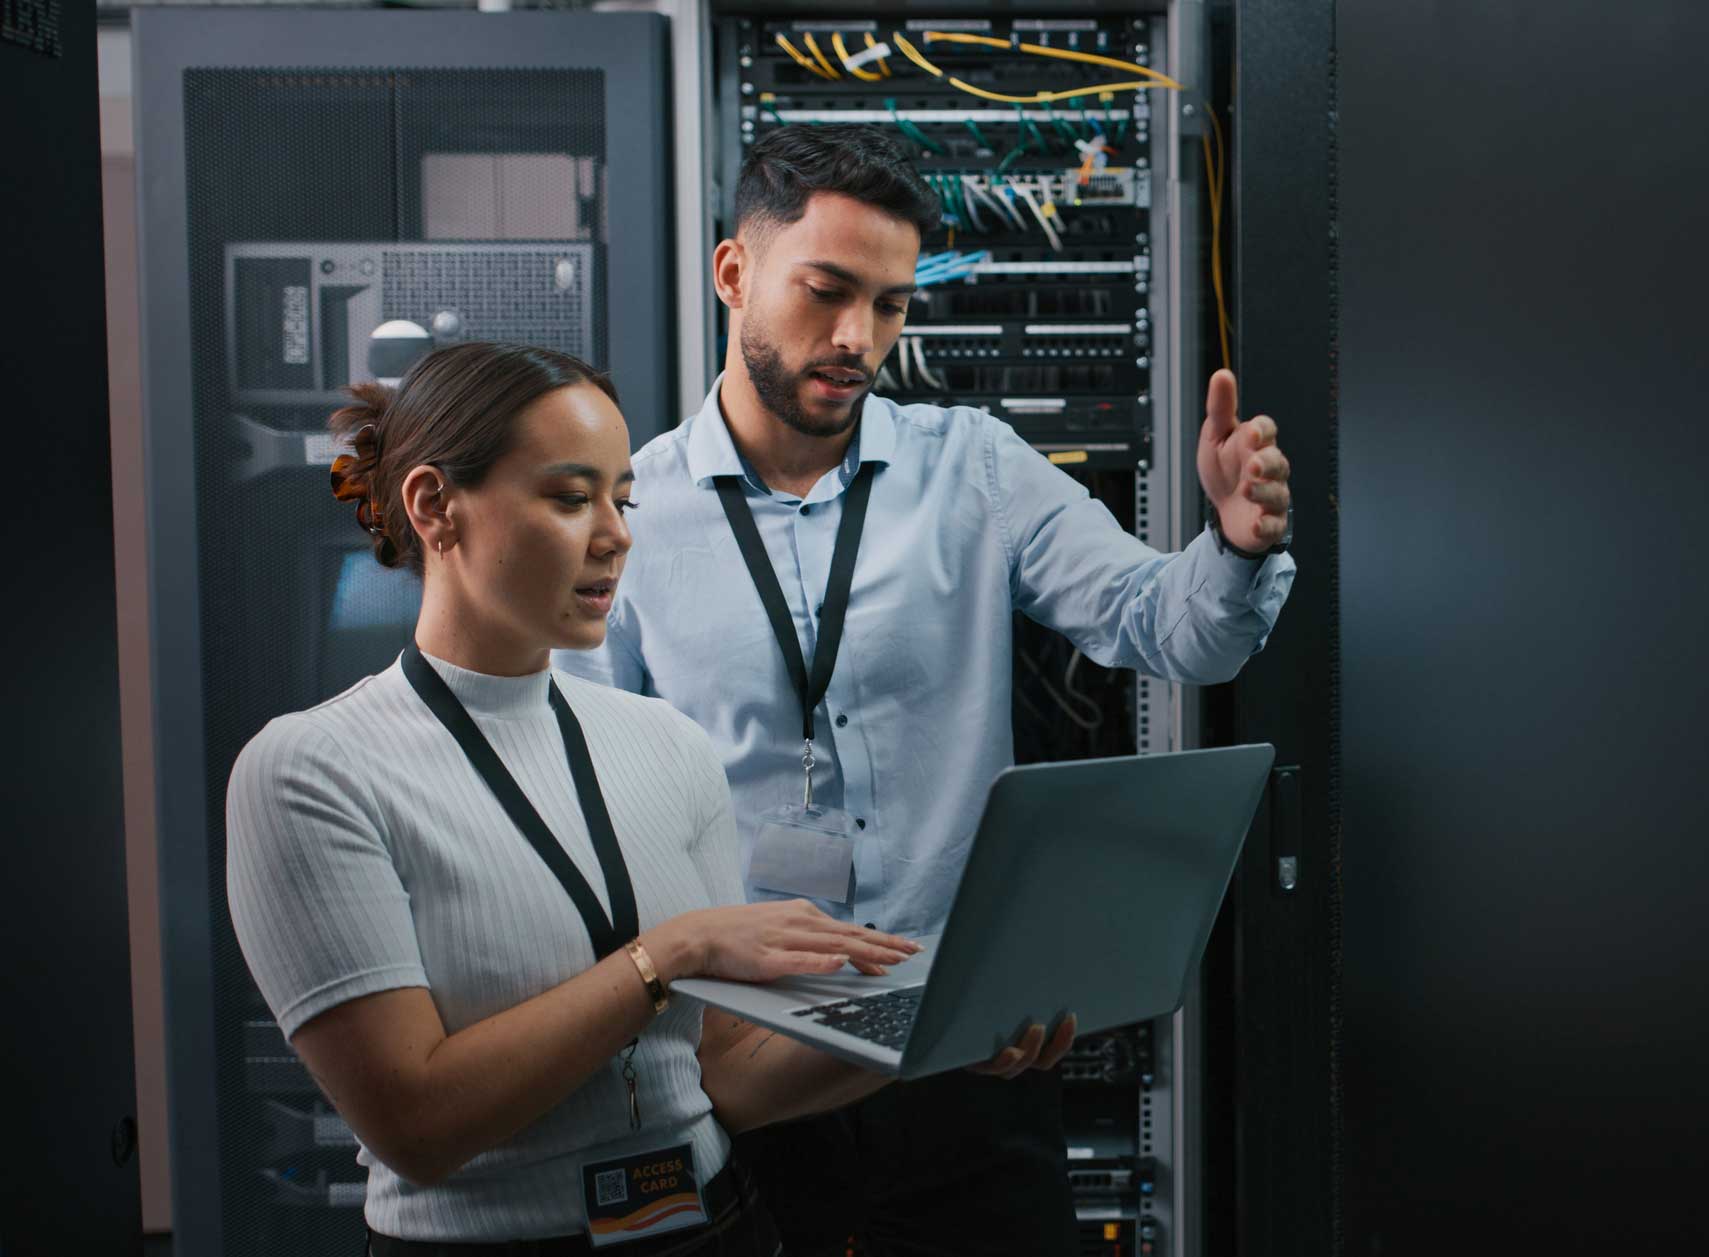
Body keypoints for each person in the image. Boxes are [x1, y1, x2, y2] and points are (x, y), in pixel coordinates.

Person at [554, 124, 1295, 1255]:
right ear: (733, 273)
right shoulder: (629, 512)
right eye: (826, 292)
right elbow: (580, 801)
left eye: (892, 305)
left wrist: (1232, 546)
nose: (859, 339)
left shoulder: (975, 468)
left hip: (967, 1055)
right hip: (742, 1068)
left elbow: (1171, 628)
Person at [225, 341, 1067, 1256]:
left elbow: (728, 1078)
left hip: (715, 1225)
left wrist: (938, 1026)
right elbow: (416, 1124)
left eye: (622, 499)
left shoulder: (666, 744)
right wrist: (669, 953)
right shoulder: (312, 771)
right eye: (569, 496)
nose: (617, 533)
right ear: (435, 506)